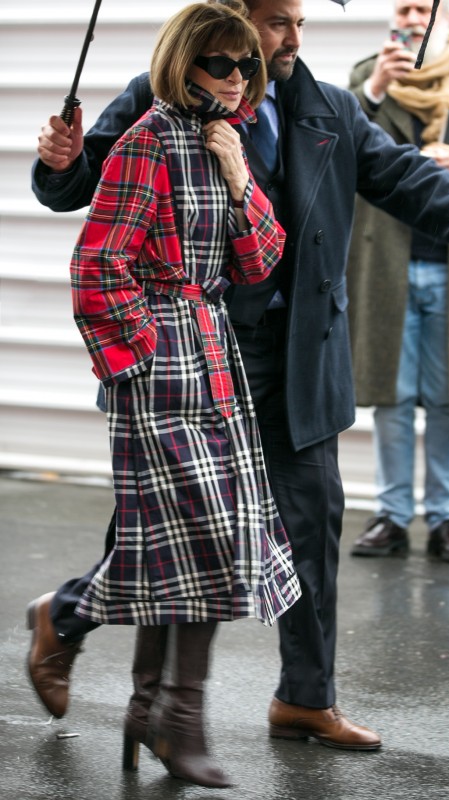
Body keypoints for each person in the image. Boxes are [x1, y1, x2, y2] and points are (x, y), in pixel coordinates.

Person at [28, 0, 449, 760]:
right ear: (239, 16)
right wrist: (61, 162)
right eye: (278, 21)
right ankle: (68, 619)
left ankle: (305, 698)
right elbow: (90, 192)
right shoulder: (160, 92)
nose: (292, 39)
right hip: (188, 357)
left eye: (299, 23)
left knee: (310, 521)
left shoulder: (330, 107)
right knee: (163, 534)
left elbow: (402, 175)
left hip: (300, 352)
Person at [29, 1, 304, 788]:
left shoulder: (223, 140)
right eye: (222, 63)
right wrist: (138, 359)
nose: (239, 77)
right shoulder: (148, 141)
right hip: (162, 367)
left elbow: (259, 262)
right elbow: (98, 264)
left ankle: (153, 713)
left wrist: (240, 176)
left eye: (248, 64)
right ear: (184, 65)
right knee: (204, 539)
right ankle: (176, 720)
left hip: (216, 358)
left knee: (181, 548)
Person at [347, 0, 449, 563]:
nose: (411, 17)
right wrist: (376, 86)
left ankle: (447, 517)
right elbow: (332, 141)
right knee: (394, 395)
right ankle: (392, 514)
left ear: (444, 18)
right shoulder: (368, 74)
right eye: (402, 8)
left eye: (422, 9)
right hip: (387, 263)